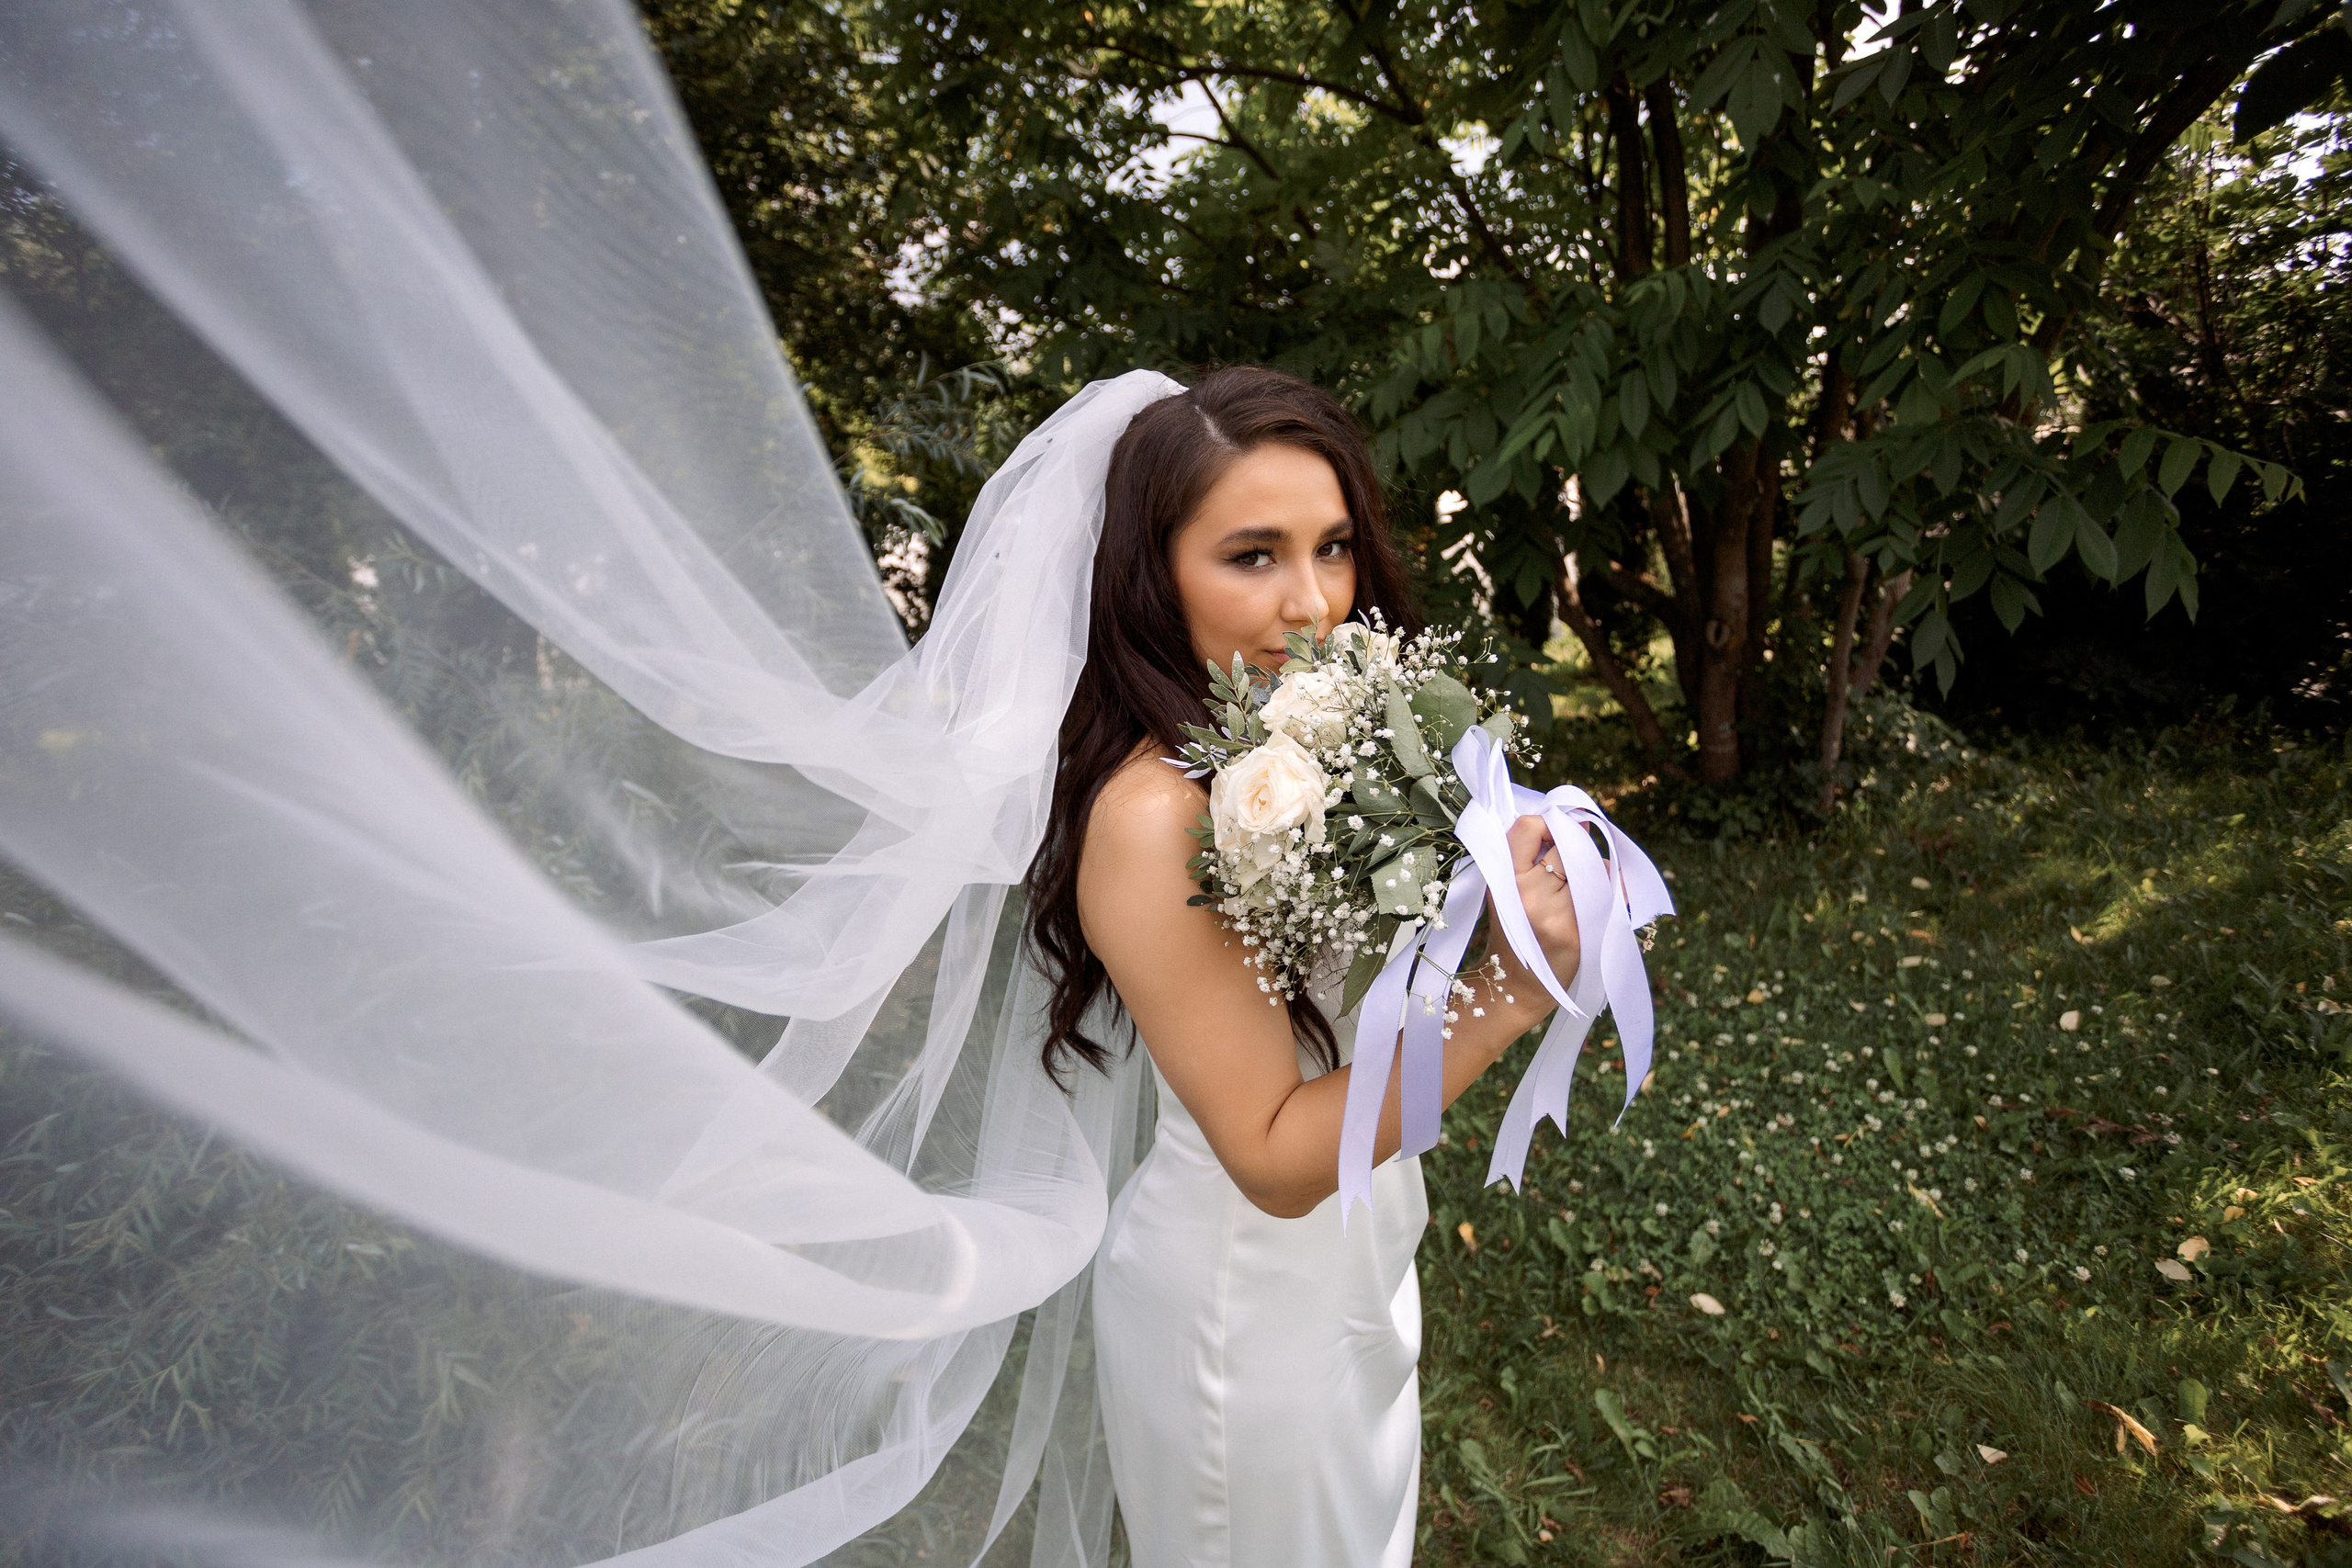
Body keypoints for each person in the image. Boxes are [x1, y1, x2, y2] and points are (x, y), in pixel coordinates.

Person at [1021, 367, 1587, 1567]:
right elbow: (1277, 1157)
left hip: (1358, 1249)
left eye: (1332, 548)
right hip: (1244, 1309)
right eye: (1252, 556)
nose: (1313, 602)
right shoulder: (1149, 814)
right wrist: (1517, 989)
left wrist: (1496, 863)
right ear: (1150, 573)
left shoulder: (1296, 730)